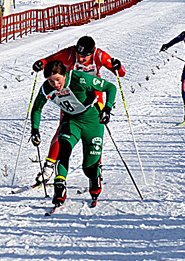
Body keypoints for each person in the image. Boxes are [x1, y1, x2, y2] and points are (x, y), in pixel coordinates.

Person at [31, 36, 125, 184]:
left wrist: (118, 66)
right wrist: (40, 64)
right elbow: (49, 60)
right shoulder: (69, 54)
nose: (80, 59)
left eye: (84, 57)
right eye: (79, 55)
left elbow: (121, 73)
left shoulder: (100, 55)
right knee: (62, 129)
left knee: (95, 132)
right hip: (70, 94)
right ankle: (49, 166)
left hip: (93, 96)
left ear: (92, 53)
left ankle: (96, 167)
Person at [29, 61, 116, 208]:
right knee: (64, 150)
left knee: (89, 168)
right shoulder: (46, 88)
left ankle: (95, 179)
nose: (55, 84)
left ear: (65, 75)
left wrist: (107, 109)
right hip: (71, 121)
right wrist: (35, 130)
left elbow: (110, 87)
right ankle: (60, 185)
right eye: (51, 81)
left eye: (58, 80)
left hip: (92, 120)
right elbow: (37, 108)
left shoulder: (80, 78)